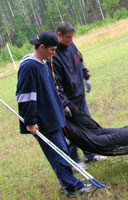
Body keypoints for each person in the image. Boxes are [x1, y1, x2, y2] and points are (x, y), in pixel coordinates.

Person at [16, 31, 93, 197]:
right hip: (43, 121)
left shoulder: (43, 63)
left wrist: (62, 105)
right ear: (41, 47)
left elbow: (52, 88)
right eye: (52, 49)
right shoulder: (29, 66)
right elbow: (25, 96)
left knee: (61, 151)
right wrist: (30, 121)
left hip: (54, 116)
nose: (54, 53)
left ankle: (67, 182)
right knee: (59, 153)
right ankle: (73, 187)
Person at [47, 22, 106, 166]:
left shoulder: (71, 45)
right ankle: (74, 160)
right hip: (69, 101)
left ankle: (90, 155)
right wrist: (63, 103)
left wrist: (87, 77)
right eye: (68, 37)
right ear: (59, 35)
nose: (71, 40)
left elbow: (79, 59)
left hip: (80, 96)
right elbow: (55, 82)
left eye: (72, 37)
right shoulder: (54, 55)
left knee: (87, 126)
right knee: (75, 132)